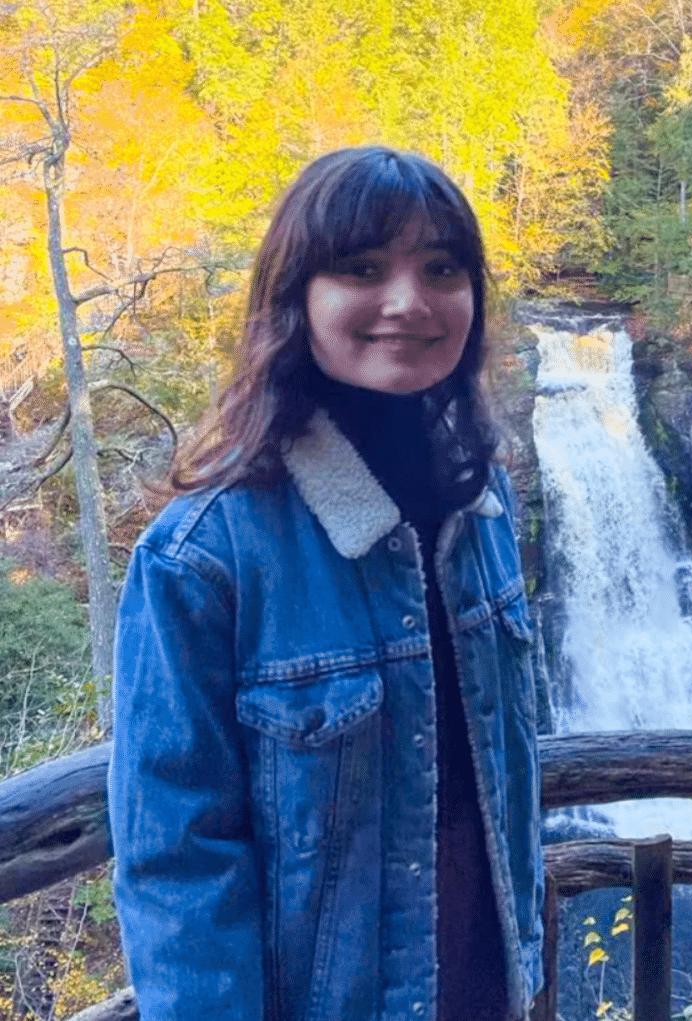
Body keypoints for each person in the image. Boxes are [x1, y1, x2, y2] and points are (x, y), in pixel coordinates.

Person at [107, 146, 545, 1021]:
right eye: (362, 267)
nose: (407, 301)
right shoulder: (204, 556)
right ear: (296, 297)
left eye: (441, 268)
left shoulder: (482, 498)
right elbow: (176, 866)